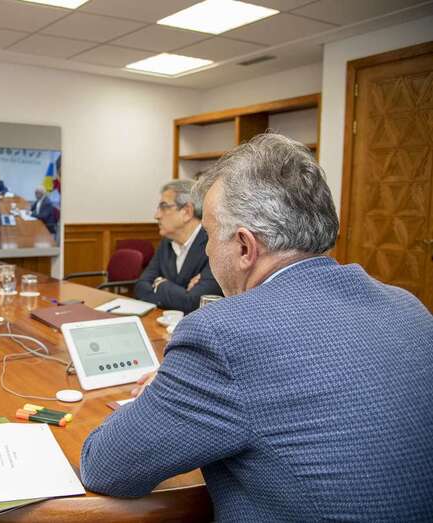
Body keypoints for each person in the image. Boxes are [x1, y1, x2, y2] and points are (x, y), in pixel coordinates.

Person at [80, 134, 433, 521]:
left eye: (211, 237)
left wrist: (163, 396)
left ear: (245, 247)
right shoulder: (408, 305)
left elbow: (107, 467)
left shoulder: (223, 336)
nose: (209, 251)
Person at [134, 180, 222, 313]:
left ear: (187, 211)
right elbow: (140, 287)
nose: (156, 215)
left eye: (164, 207)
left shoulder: (213, 244)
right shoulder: (167, 242)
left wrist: (160, 284)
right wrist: (182, 294)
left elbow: (195, 302)